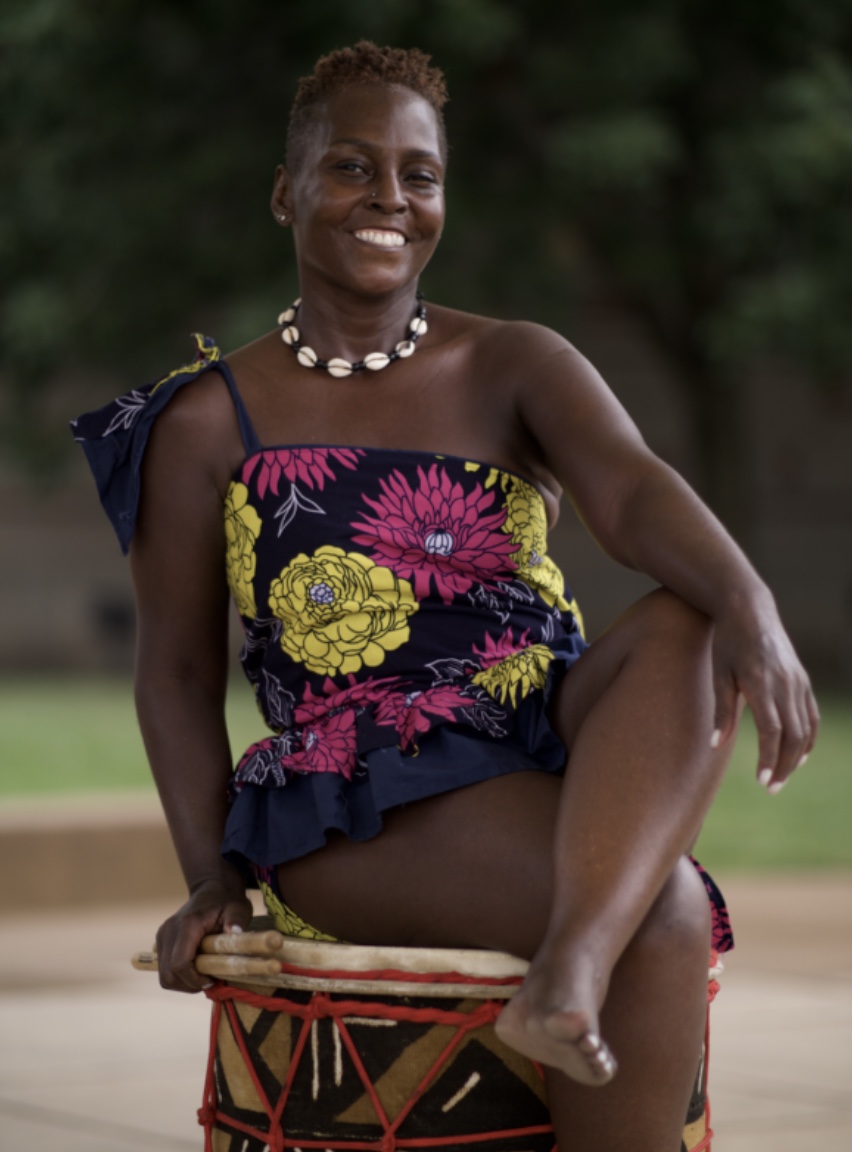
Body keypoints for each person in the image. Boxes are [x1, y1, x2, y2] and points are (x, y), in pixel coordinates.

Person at [72, 41, 817, 1152]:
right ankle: (579, 960)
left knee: (695, 614)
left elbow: (630, 493)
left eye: (418, 175)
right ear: (285, 193)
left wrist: (755, 606)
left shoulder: (516, 362)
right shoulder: (204, 420)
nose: (389, 198)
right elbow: (176, 674)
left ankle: (569, 966)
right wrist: (209, 878)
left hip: (543, 725)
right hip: (356, 793)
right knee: (660, 915)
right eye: (351, 168)